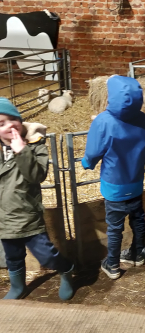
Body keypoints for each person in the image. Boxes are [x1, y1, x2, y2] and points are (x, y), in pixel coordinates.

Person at [0, 98, 74, 300]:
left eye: (12, 119)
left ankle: (66, 269)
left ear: (20, 120)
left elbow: (37, 176)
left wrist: (21, 150)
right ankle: (18, 287)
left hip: (27, 216)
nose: (9, 126)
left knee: (47, 256)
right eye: (1, 123)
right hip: (4, 219)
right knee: (13, 258)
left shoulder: (35, 145)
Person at [82, 75, 145, 279]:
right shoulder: (141, 118)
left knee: (115, 227)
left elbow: (94, 151)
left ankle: (112, 264)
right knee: (138, 220)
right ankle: (137, 254)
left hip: (114, 184)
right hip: (136, 180)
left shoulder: (104, 121)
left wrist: (87, 163)